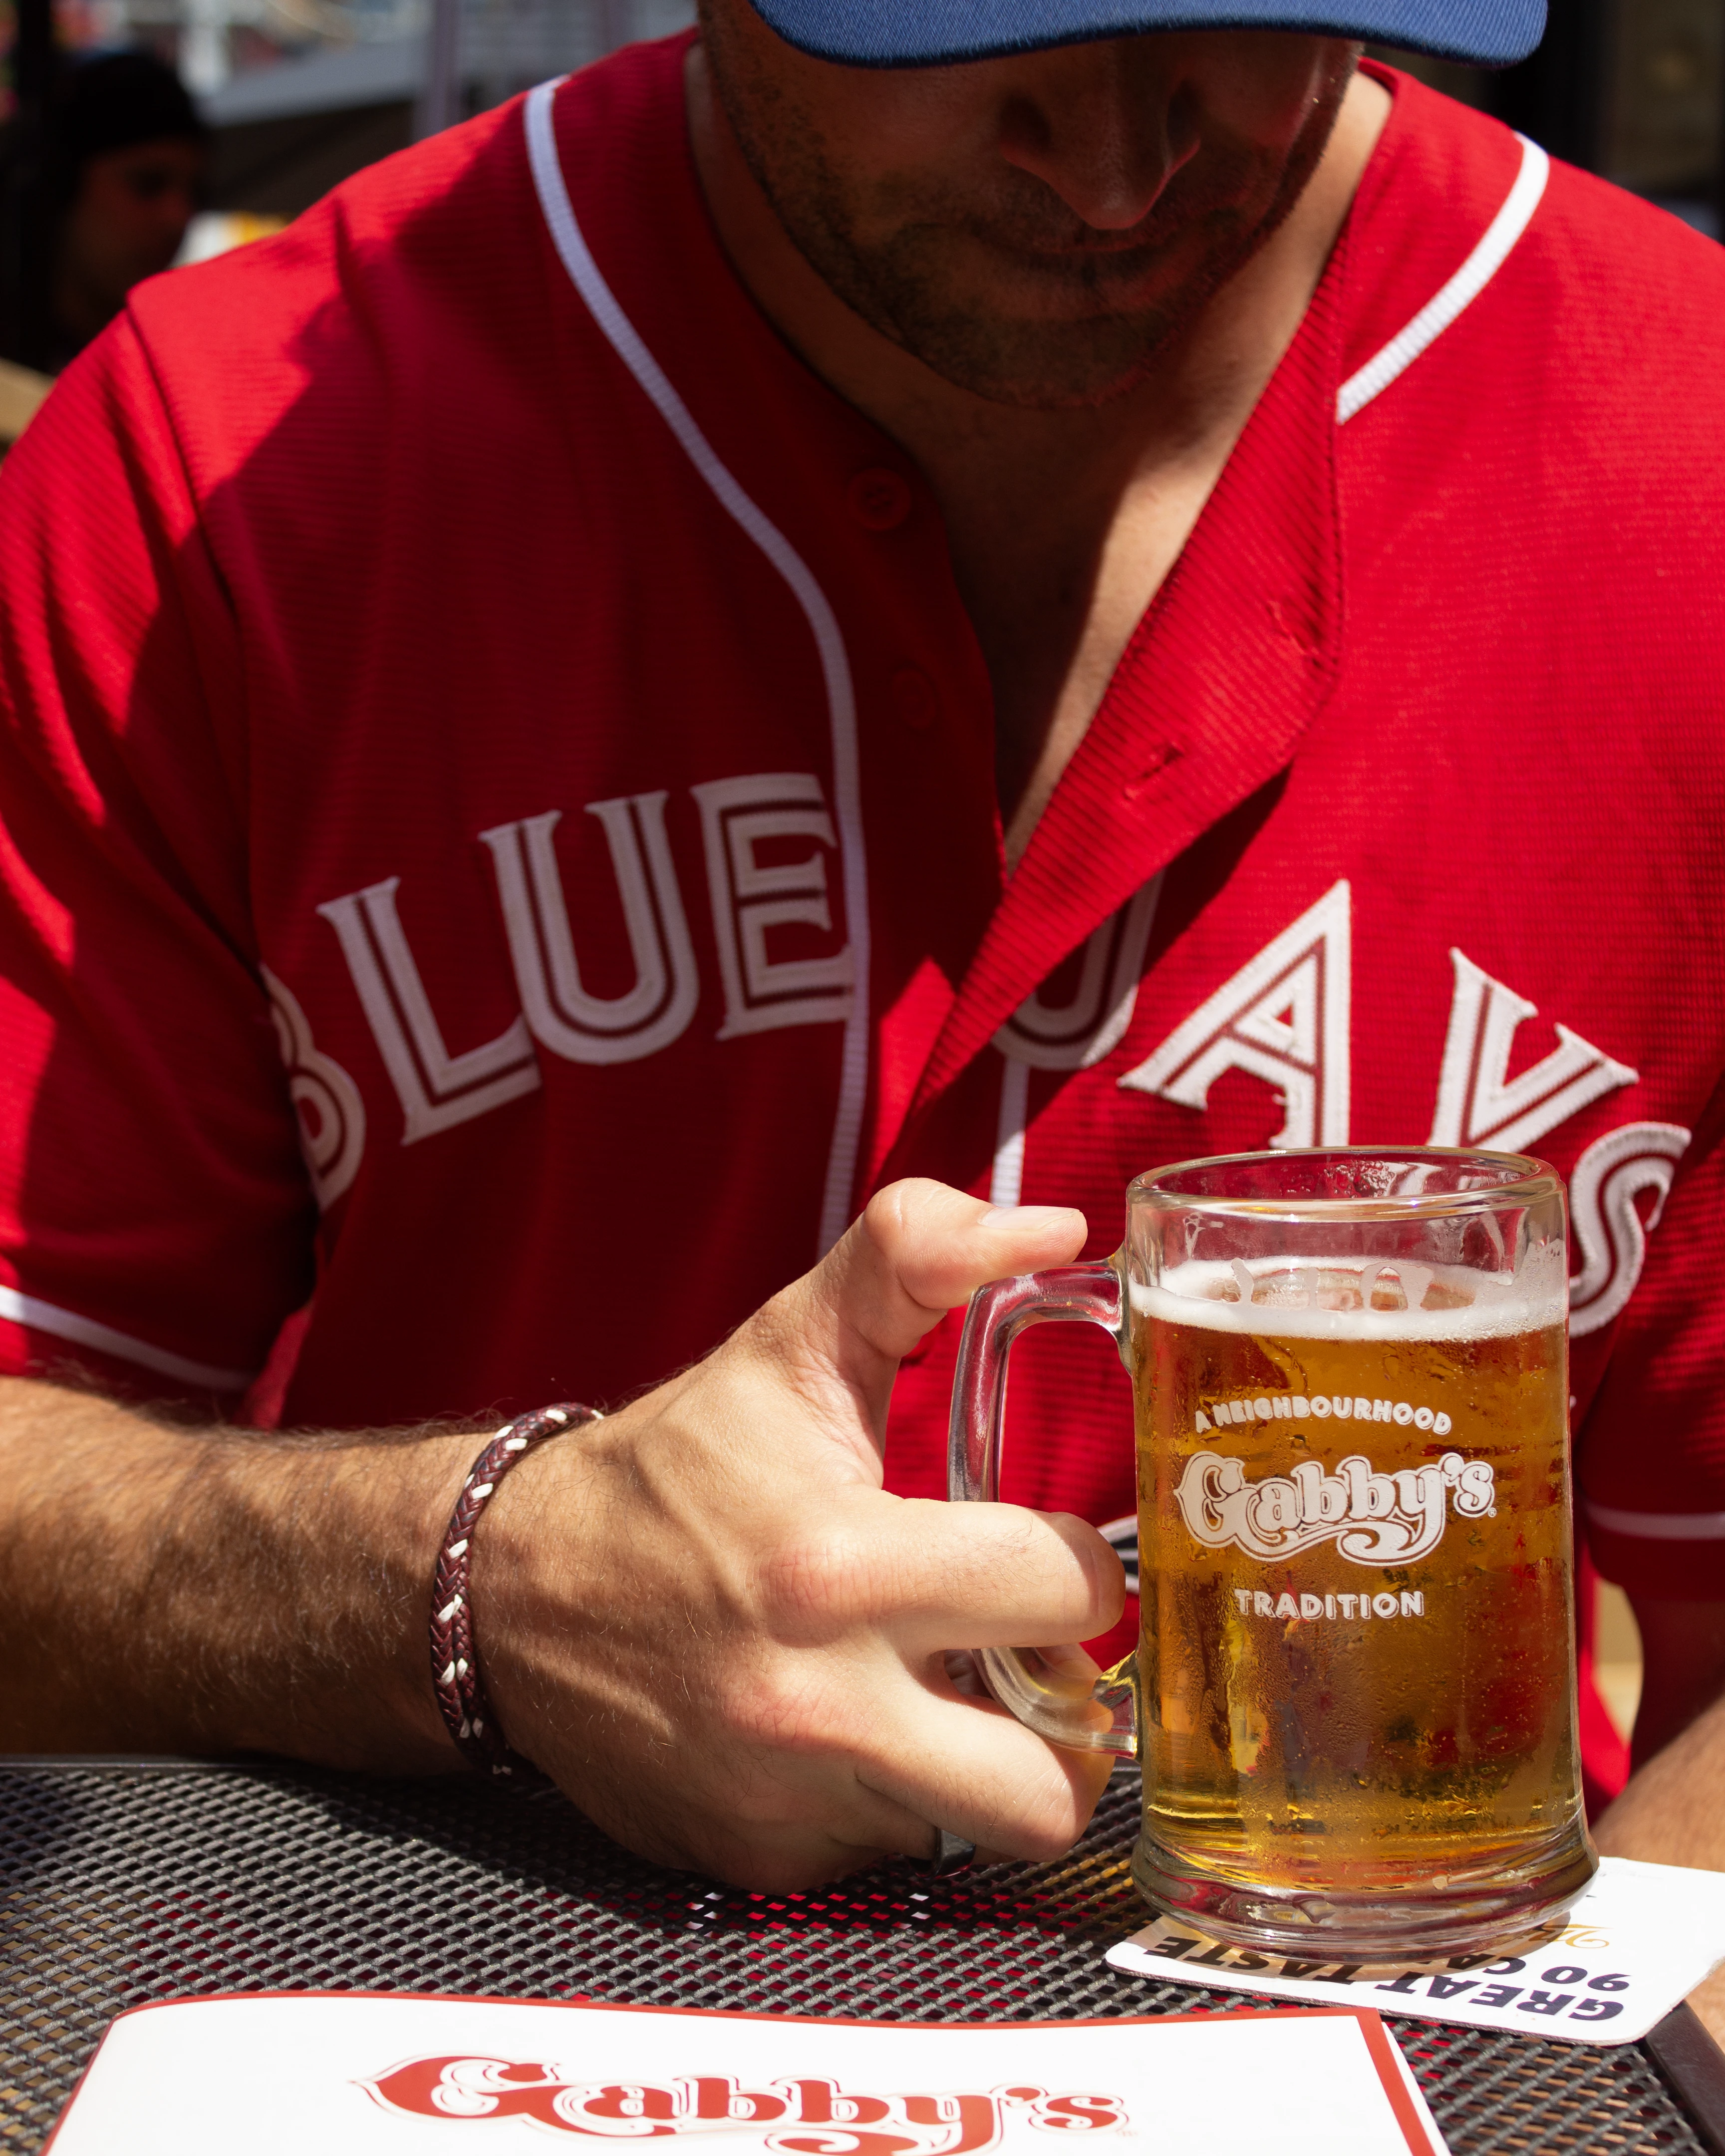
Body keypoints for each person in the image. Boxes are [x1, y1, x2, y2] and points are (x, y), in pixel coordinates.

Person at [0, 0, 1722, 1983]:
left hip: (1411, 2027)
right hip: (425, 2053)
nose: (1116, 162)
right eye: (958, 19)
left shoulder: (1683, 453)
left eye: (1253, 7)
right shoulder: (214, 465)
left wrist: (1549, 2095)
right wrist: (479, 1580)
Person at [0, 47, 206, 372]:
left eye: (197, 193)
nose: (177, 218)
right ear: (60, 184)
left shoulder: (176, 372)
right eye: (147, 184)